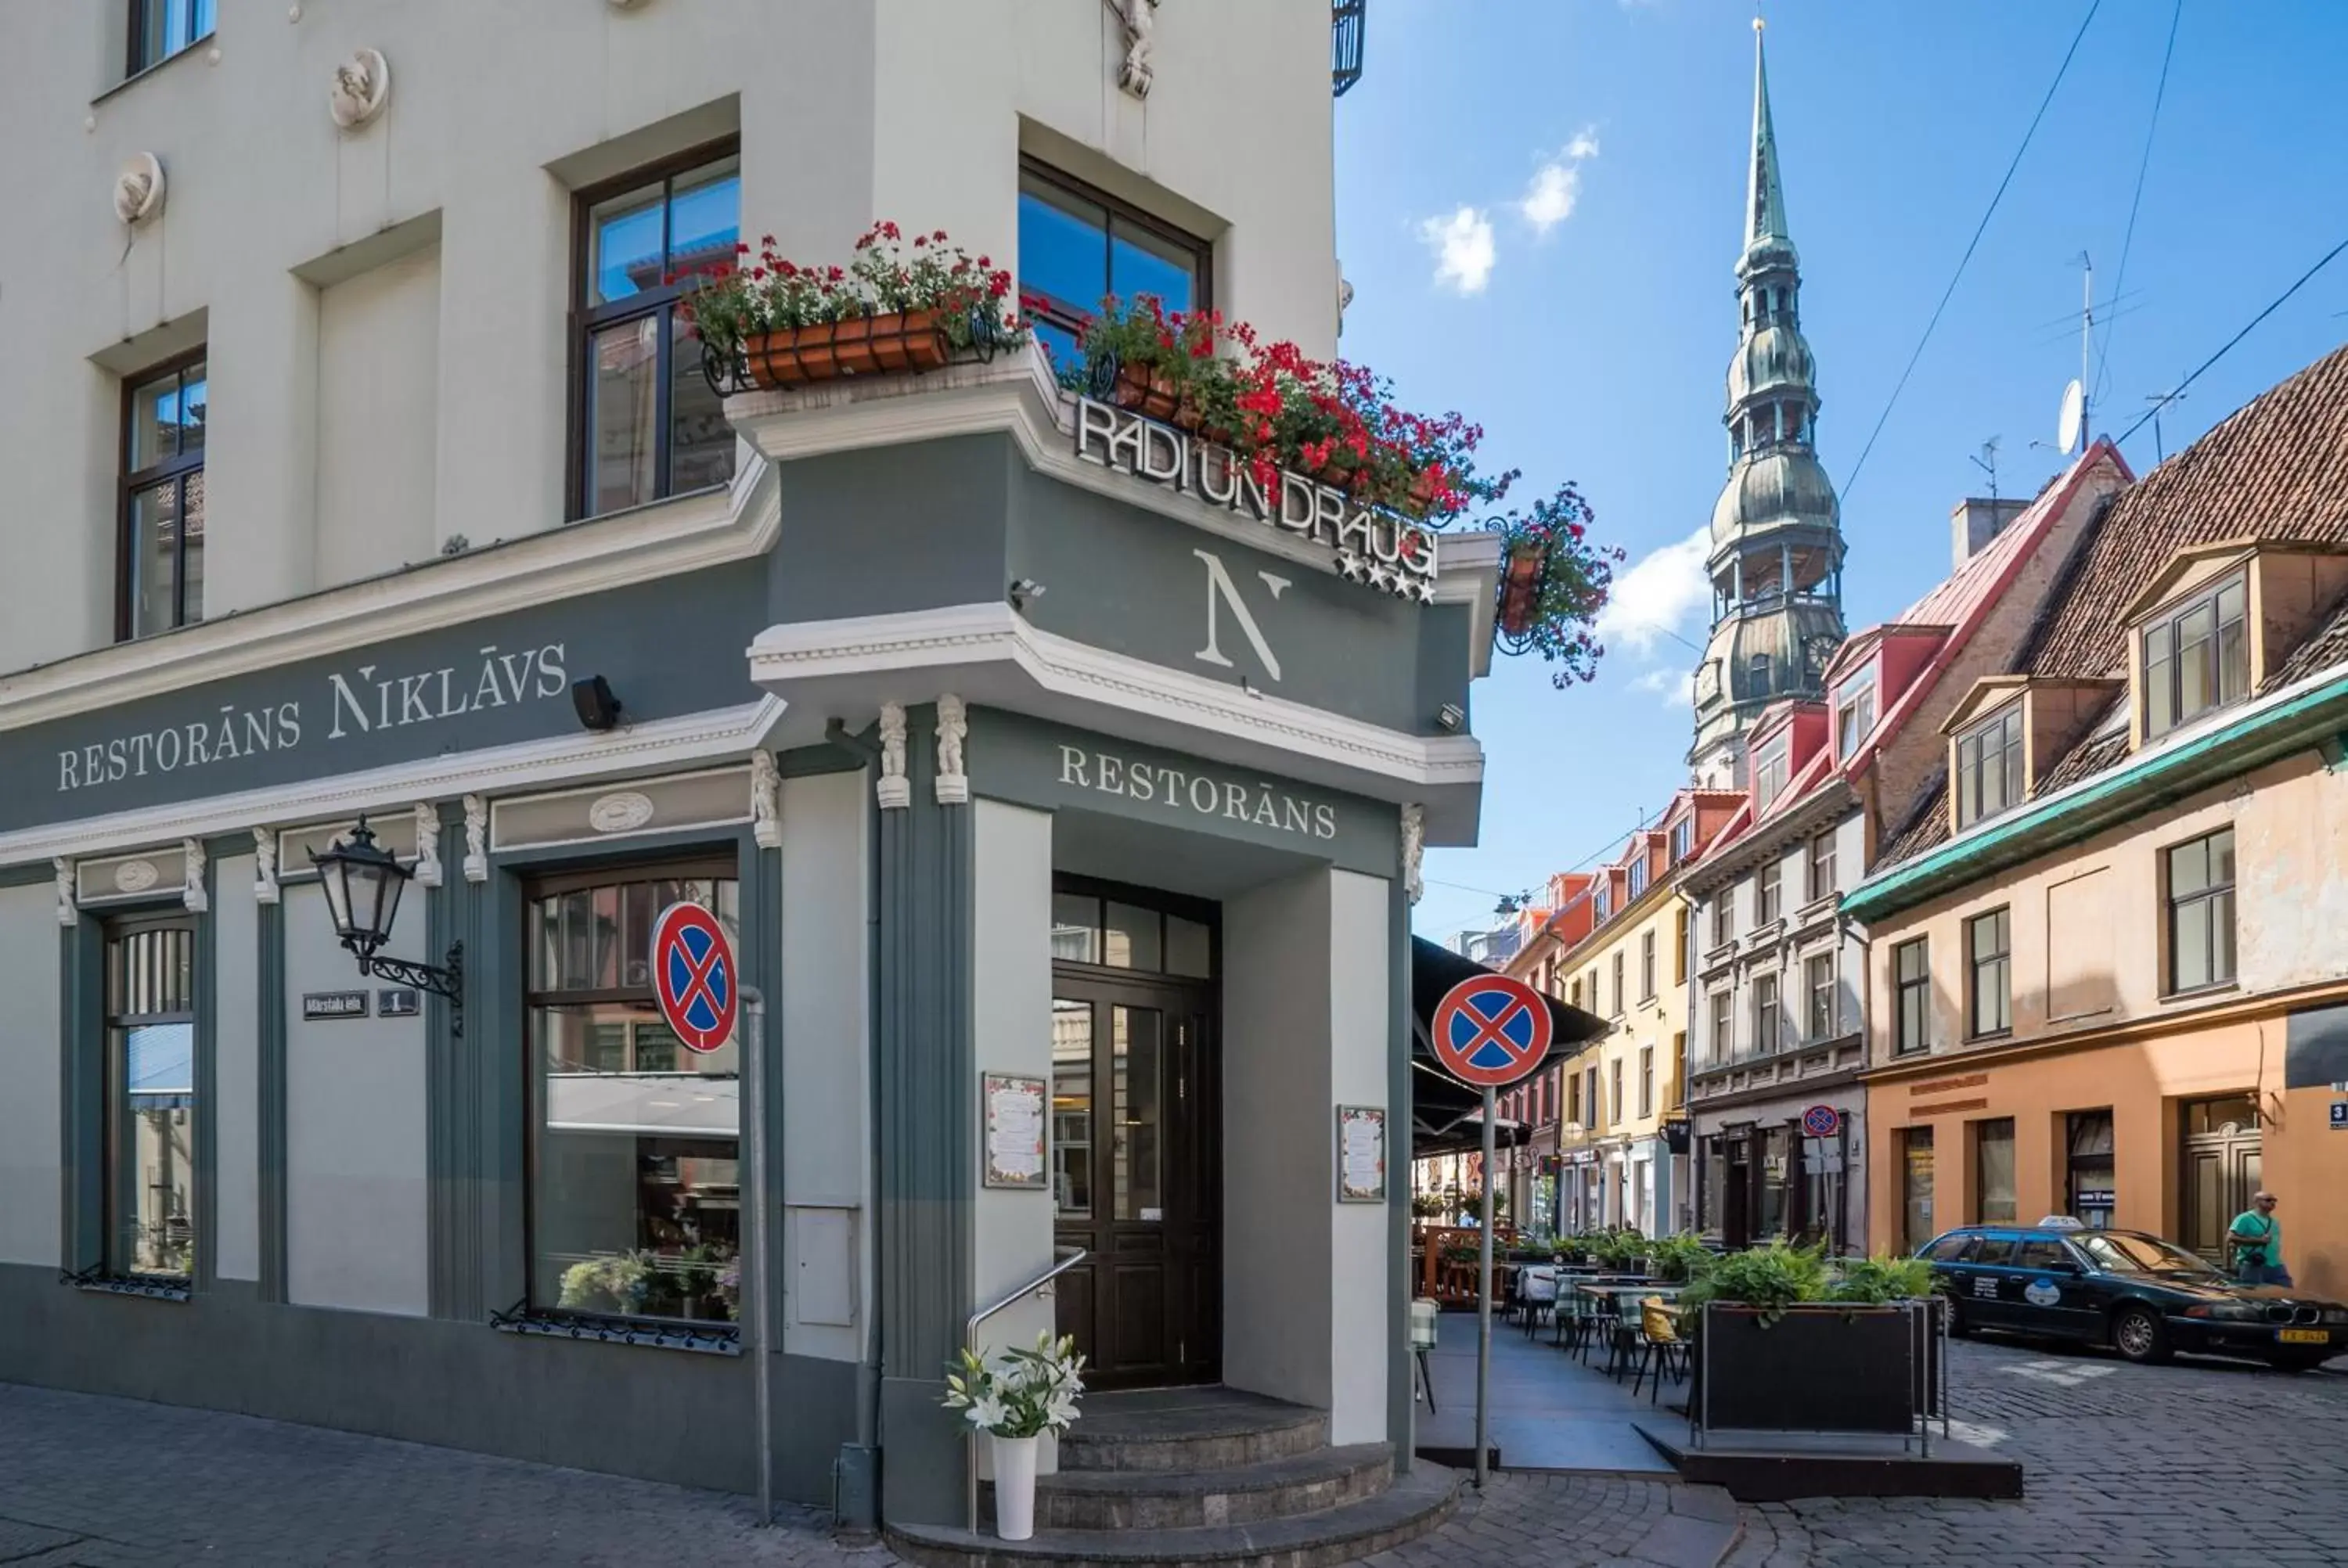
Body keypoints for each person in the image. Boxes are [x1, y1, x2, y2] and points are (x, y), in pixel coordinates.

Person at [2228, 1191, 2292, 1287]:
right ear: (2257, 1202)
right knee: (2255, 1298)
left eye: (2274, 1200)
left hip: (2275, 1264)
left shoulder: (2274, 1221)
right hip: (2253, 1265)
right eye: (2268, 1200)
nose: (2273, 1203)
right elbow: (2231, 1237)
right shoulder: (2245, 1218)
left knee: (2287, 1292)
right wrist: (2258, 1240)